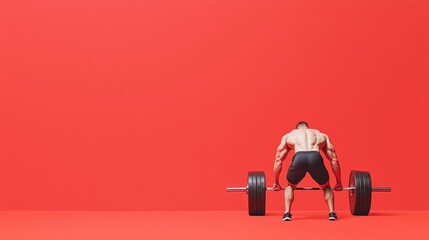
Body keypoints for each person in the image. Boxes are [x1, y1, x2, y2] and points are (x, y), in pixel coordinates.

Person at [272, 121, 343, 221]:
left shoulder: (290, 136)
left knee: (290, 186)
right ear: (308, 128)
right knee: (326, 186)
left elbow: (278, 160)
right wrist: (339, 182)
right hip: (315, 158)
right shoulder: (321, 135)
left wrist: (276, 182)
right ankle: (332, 213)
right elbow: (333, 160)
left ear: (297, 129)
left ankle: (287, 213)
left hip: (299, 159)